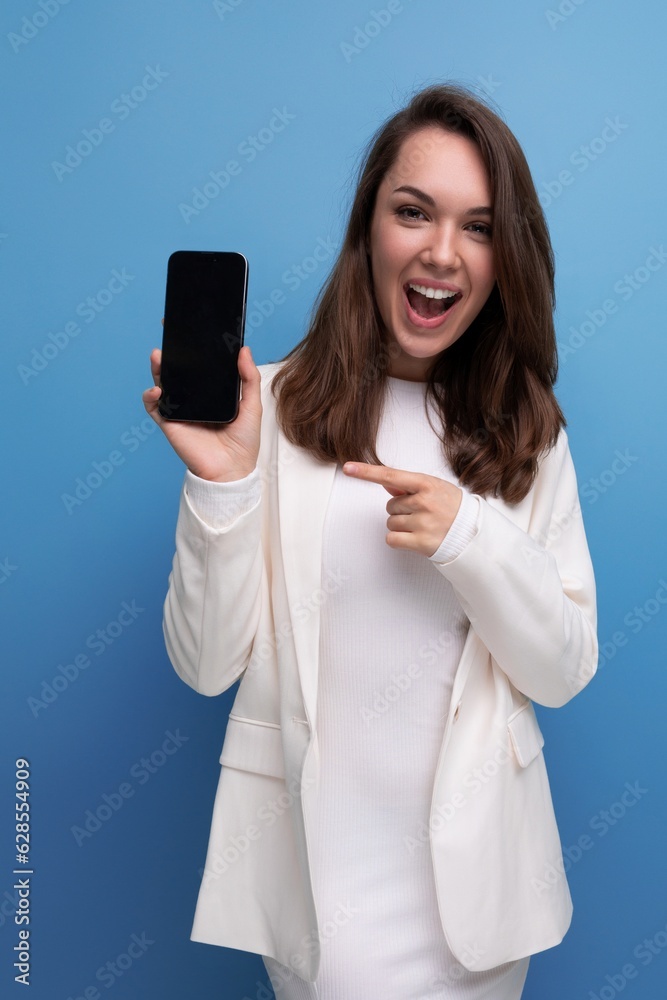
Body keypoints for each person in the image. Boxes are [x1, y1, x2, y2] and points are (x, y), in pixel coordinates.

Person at [143, 83, 598, 999]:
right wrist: (221, 483)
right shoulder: (265, 410)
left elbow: (563, 667)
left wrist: (468, 536)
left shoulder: (528, 432)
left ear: (505, 257)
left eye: (477, 227)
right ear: (368, 230)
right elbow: (204, 668)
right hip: (320, 893)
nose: (440, 252)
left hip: (475, 909)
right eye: (412, 212)